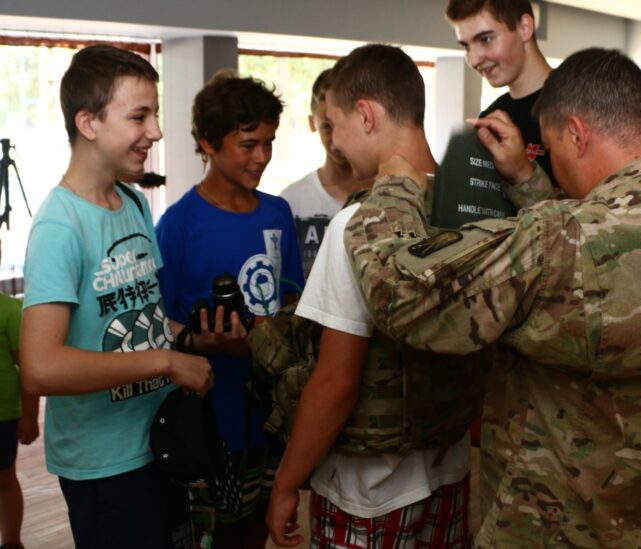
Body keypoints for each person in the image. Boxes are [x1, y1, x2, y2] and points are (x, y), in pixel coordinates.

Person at [343, 48, 641, 547]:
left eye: (553, 151)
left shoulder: (561, 242)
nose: (553, 163)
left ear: (576, 134)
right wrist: (528, 180)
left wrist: (393, 190)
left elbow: (400, 293)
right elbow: (606, 250)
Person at [266, 44, 472, 549]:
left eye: (335, 125)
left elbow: (336, 382)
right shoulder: (471, 209)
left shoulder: (357, 226)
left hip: (370, 491)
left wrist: (286, 482)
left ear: (366, 114)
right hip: (451, 471)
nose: (334, 144)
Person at [20, 44, 212, 549]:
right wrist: (166, 362)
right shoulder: (59, 226)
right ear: (89, 123)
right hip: (103, 464)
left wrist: (191, 339)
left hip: (160, 443)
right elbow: (41, 367)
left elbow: (144, 318)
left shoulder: (132, 203)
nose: (156, 131)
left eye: (154, 113)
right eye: (139, 116)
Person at [155, 70, 304, 548]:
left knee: (257, 531)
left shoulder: (277, 212)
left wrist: (273, 332)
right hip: (208, 420)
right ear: (207, 142)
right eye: (247, 144)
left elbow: (293, 298)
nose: (261, 156)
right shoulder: (177, 224)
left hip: (269, 413)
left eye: (269, 142)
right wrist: (200, 341)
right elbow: (157, 321)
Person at [446, 0, 555, 186]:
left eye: (486, 39)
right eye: (466, 46)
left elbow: (600, 208)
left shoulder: (579, 103)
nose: (473, 60)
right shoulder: (489, 119)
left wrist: (521, 172)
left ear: (525, 28)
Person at [280, 69, 370, 278]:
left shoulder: (387, 196)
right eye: (327, 127)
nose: (336, 140)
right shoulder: (291, 200)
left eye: (342, 126)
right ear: (313, 123)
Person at [0, 289, 39, 549]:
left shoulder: (9, 310)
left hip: (3, 416)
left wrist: (30, 416)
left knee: (4, 479)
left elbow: (28, 366)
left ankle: (12, 542)